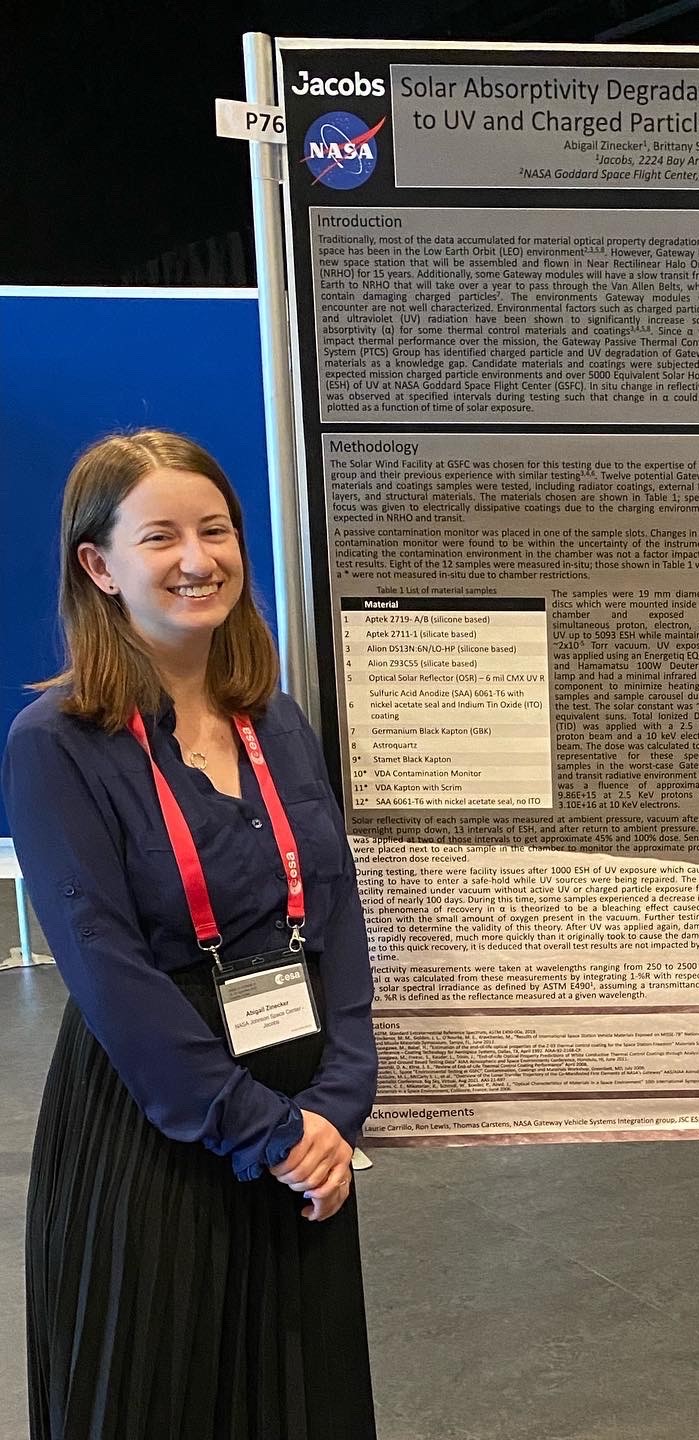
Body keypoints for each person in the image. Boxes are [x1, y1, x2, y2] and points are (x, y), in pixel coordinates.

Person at [3, 430, 378, 1439]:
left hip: (304, 1130)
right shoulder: (56, 747)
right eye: (161, 536)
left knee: (298, 1399)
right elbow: (109, 973)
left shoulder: (277, 720)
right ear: (100, 565)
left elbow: (333, 913)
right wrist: (269, 1132)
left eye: (215, 530)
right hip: (161, 1131)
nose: (198, 559)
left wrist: (338, 1104)